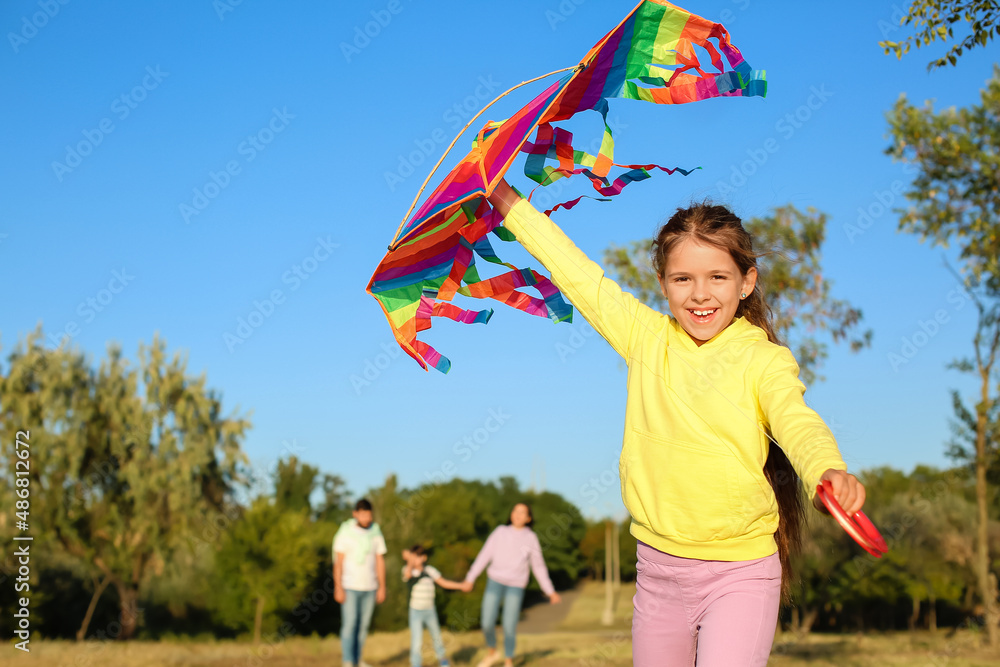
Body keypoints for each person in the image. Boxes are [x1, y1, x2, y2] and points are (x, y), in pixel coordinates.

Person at [487, 180, 867, 667]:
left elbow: (797, 420)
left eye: (718, 277)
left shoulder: (763, 360)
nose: (700, 295)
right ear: (663, 281)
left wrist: (826, 470)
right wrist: (507, 203)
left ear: (746, 282)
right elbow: (578, 275)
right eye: (682, 279)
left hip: (740, 574)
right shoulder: (647, 338)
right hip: (657, 573)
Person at [462, 502, 562, 667]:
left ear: (528, 518)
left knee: (509, 624)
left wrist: (550, 591)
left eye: (522, 512)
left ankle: (508, 660)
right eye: (515, 510)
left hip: (515, 585)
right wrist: (470, 578)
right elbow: (484, 556)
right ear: (511, 514)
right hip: (494, 580)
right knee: (487, 621)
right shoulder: (500, 532)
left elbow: (538, 566)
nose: (517, 514)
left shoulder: (531, 538)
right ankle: (492, 653)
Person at [334, 498, 387, 667]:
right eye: (362, 514)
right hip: (349, 586)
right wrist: (338, 587)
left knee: (363, 627)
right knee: (349, 625)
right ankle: (348, 661)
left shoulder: (376, 533)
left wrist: (382, 587)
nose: (366, 518)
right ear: (355, 514)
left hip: (370, 587)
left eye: (369, 514)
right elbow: (338, 562)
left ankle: (358, 660)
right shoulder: (344, 532)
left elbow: (380, 561)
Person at [402, 544, 464, 667]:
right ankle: (415, 664)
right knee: (416, 640)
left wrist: (461, 586)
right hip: (415, 612)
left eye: (418, 556)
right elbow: (407, 576)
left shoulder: (430, 571)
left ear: (424, 557)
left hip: (430, 610)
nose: (415, 559)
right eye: (413, 556)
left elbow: (444, 583)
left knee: (437, 638)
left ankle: (443, 662)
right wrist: (410, 561)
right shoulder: (408, 570)